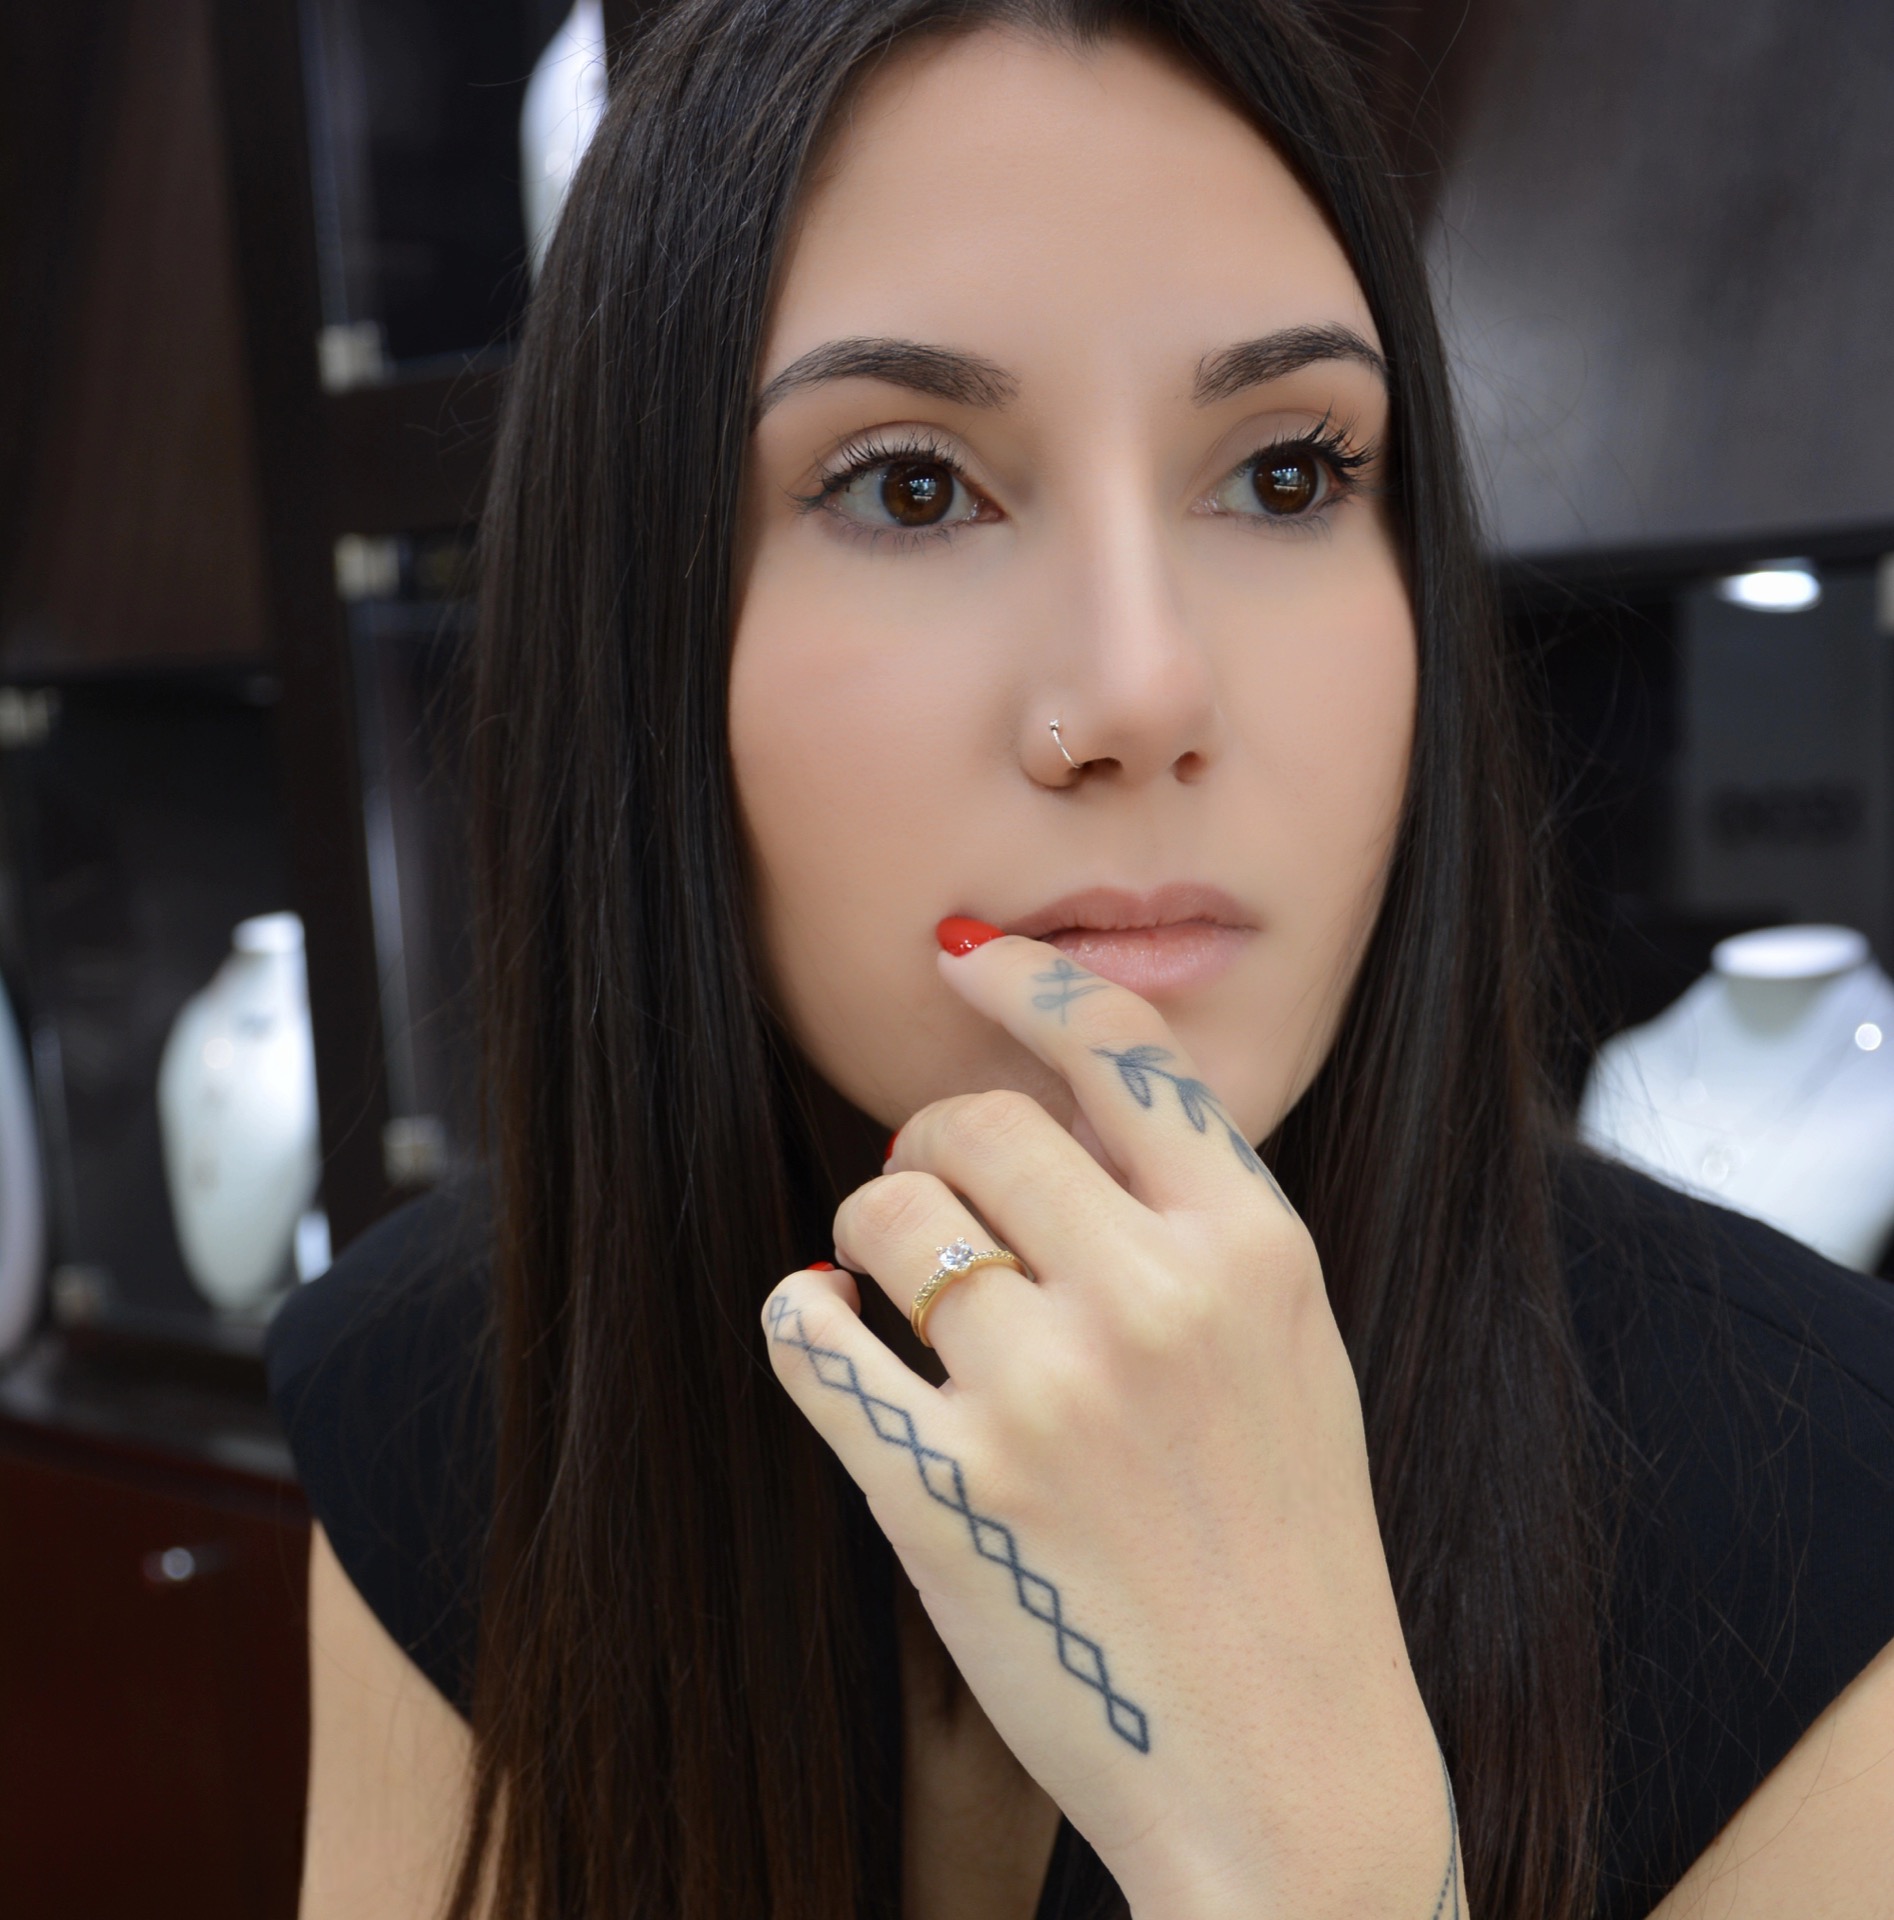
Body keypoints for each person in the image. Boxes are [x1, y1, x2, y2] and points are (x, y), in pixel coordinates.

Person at [266, 3, 1894, 1916]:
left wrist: (1317, 1856)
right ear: (642, 632)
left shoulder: (1817, 1512)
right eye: (909, 484)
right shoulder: (453, 1390)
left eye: (1285, 475)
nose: (1139, 689)